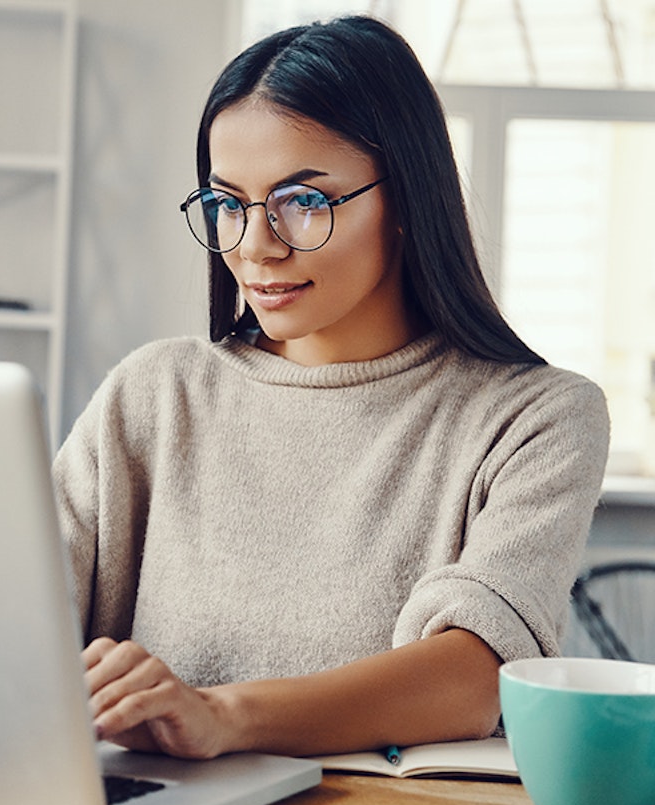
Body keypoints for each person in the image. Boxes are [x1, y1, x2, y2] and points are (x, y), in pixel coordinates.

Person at [53, 15, 609, 764]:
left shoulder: (537, 417)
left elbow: (472, 677)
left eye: (302, 201)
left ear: (407, 200)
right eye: (227, 204)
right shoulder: (152, 394)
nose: (255, 246)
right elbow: (14, 614)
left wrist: (222, 714)